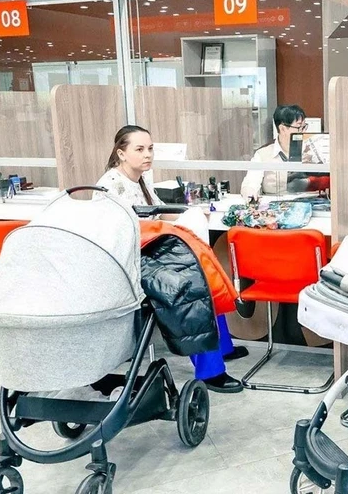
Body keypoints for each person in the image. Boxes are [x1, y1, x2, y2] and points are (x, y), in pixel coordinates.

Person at [97, 125, 247, 393]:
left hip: (155, 253)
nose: (148, 155)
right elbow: (119, 236)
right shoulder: (110, 187)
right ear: (121, 153)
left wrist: (190, 214)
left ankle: (222, 346)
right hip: (133, 262)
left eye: (150, 148)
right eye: (140, 149)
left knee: (207, 274)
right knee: (191, 288)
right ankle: (211, 371)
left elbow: (160, 213)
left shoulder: (141, 180)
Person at [240, 104, 310, 199]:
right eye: (299, 127)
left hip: (310, 204)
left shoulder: (310, 150)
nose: (304, 132)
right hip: (274, 204)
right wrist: (250, 194)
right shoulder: (263, 154)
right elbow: (250, 183)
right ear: (283, 129)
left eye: (304, 127)